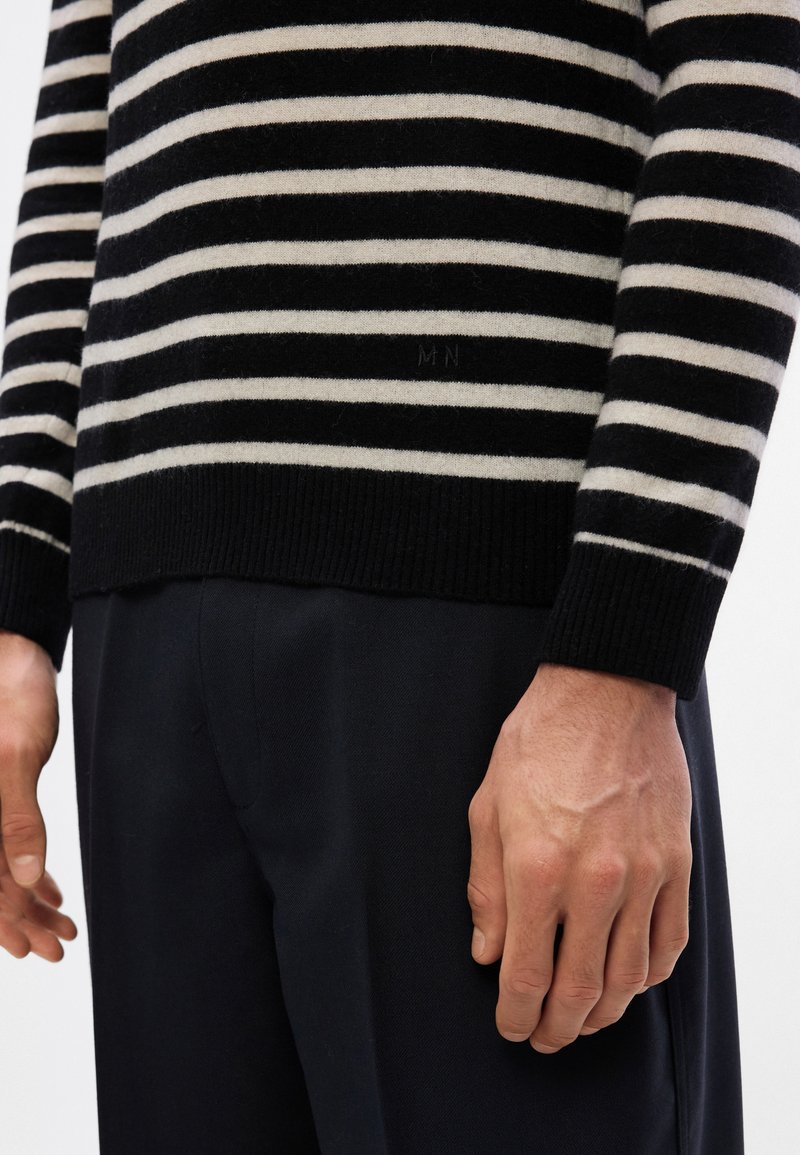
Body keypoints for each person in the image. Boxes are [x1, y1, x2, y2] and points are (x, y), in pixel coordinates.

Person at [0, 1, 797, 1151]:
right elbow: (82, 139)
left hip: (490, 631)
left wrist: (623, 654)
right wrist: (17, 607)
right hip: (146, 620)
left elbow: (740, 95)